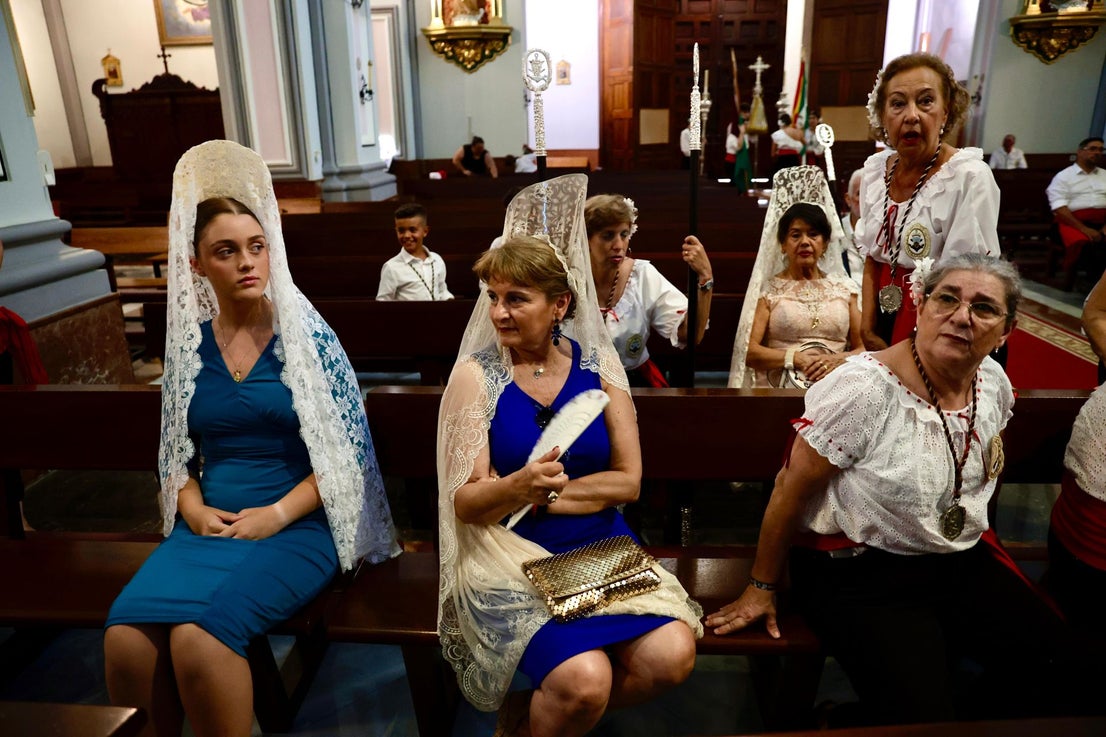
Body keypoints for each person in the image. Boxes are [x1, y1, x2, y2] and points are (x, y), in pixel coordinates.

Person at [709, 254, 1103, 726]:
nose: (961, 316)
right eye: (948, 299)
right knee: (926, 720)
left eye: (984, 308)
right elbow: (787, 489)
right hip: (860, 574)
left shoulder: (993, 383)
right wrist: (760, 586)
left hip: (958, 561)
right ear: (922, 307)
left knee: (1075, 673)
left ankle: (899, 714)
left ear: (1005, 332)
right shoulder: (863, 390)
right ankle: (852, 719)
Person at [103, 141, 398, 737]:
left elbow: (349, 461)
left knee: (200, 641)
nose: (246, 262)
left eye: (256, 247)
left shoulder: (307, 340)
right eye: (226, 251)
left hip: (297, 523)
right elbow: (176, 455)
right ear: (196, 265)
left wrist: (276, 513)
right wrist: (190, 505)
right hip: (208, 525)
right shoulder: (190, 350)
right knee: (126, 639)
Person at [436, 174, 702, 737]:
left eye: (516, 299)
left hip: (598, 542)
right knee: (585, 681)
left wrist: (548, 495)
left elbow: (628, 482)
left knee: (673, 657)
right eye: (493, 298)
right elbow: (464, 501)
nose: (499, 313)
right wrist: (515, 489)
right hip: (510, 549)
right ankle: (548, 714)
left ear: (559, 304)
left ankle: (535, 714)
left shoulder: (600, 369)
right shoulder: (474, 377)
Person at [856, 52, 1000, 350]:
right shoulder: (874, 170)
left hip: (942, 321)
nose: (911, 115)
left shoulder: (968, 176)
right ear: (883, 116)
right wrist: (866, 329)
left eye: (925, 101)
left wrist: (915, 345)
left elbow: (966, 280)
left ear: (945, 112)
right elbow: (872, 256)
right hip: (881, 309)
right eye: (898, 103)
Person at [728, 166, 861, 388]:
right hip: (778, 387)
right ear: (782, 244)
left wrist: (837, 359)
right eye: (795, 235)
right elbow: (749, 352)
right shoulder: (770, 290)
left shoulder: (846, 289)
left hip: (836, 385)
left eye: (813, 234)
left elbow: (864, 349)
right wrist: (793, 358)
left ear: (826, 243)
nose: (805, 242)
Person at [584, 194, 713, 386]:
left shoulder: (641, 274)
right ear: (586, 238)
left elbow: (691, 336)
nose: (619, 245)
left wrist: (705, 280)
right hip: (577, 385)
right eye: (608, 235)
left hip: (634, 382)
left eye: (624, 234)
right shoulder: (569, 277)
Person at [1046, 137, 1106, 289]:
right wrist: (1084, 229)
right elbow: (1059, 208)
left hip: (1103, 223)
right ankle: (1094, 286)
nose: (1098, 152)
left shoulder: (1105, 175)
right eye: (1093, 149)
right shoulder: (1064, 176)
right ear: (1080, 152)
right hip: (1073, 223)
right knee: (1089, 246)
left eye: (1101, 150)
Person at [376, 202, 454, 301]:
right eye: (401, 231)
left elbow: (442, 291)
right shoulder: (391, 267)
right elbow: (383, 301)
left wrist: (449, 301)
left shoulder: (437, 260)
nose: (407, 235)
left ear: (425, 231)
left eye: (412, 230)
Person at [839, 169, 866, 286]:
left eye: (871, 193)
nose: (866, 200)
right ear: (848, 199)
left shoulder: (885, 231)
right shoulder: (837, 231)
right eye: (860, 194)